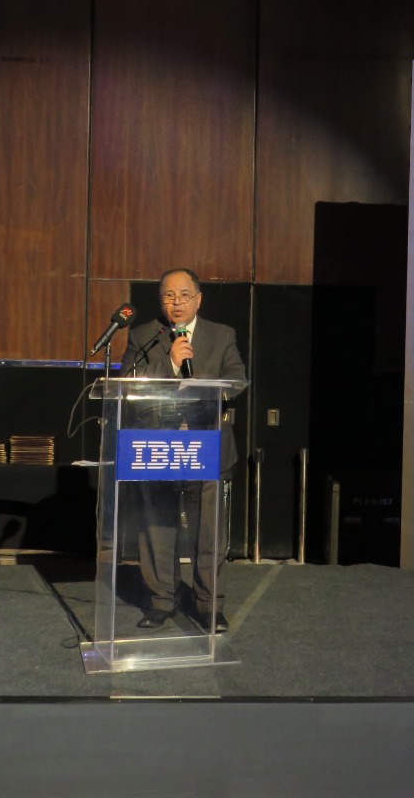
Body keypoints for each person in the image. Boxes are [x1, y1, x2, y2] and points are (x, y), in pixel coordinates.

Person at [119, 267, 247, 633]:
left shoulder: (222, 335)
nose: (177, 303)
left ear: (198, 299)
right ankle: (162, 601)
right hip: (158, 446)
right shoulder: (144, 335)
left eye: (184, 295)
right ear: (161, 301)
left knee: (208, 533)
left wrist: (200, 388)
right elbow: (128, 384)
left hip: (205, 446)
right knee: (157, 529)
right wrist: (171, 363)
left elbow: (236, 380)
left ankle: (209, 605)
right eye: (169, 296)